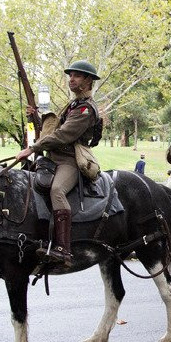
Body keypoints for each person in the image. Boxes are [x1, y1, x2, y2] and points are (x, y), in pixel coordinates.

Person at [15, 60, 102, 269]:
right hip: (53, 158)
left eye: (77, 76)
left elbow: (64, 135)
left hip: (70, 161)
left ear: (88, 80)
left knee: (57, 190)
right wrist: (36, 116)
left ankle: (63, 249)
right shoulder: (72, 105)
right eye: (70, 75)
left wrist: (33, 148)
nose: (71, 79)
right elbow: (54, 129)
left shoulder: (86, 109)